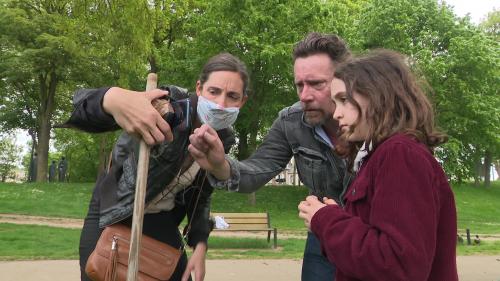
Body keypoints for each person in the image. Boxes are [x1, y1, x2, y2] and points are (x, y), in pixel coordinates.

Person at [65, 53, 249, 281]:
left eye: (232, 96)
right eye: (214, 91)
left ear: (243, 101)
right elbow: (82, 108)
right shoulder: (167, 104)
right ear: (199, 88)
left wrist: (200, 243)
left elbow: (201, 195)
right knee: (99, 273)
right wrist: (110, 99)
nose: (221, 104)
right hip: (115, 212)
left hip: (162, 220)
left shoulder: (224, 139)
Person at [188, 33, 350, 281]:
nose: (305, 95)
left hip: (371, 236)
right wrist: (221, 165)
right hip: (322, 236)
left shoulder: (378, 121)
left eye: (317, 84)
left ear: (345, 80)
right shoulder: (290, 122)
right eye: (299, 85)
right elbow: (257, 171)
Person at [298, 50, 458, 281]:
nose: (337, 114)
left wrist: (326, 220)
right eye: (335, 102)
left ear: (378, 96)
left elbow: (398, 265)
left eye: (344, 100)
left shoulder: (400, 154)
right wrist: (337, 217)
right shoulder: (380, 156)